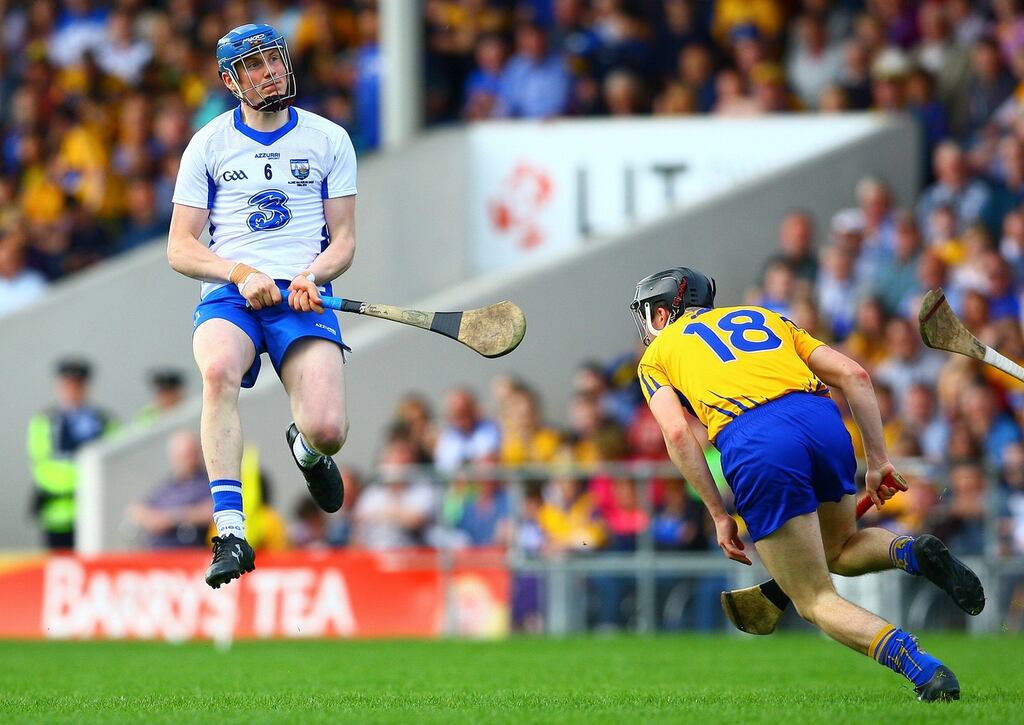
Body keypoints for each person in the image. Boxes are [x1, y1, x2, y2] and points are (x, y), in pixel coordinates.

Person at [629, 266, 985, 702]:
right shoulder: (764, 315)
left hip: (755, 438)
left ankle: (922, 667)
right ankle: (912, 550)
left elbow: (679, 434)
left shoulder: (656, 354)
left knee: (813, 599)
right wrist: (877, 460)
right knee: (839, 548)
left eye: (652, 312)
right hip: (821, 419)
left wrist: (719, 515)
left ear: (667, 312)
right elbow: (855, 376)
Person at [166, 23, 357, 588]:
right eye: (255, 65)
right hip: (231, 292)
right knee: (218, 370)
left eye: (273, 59)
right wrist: (239, 271)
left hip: (301, 292)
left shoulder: (329, 139)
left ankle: (307, 449)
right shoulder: (208, 143)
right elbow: (180, 247)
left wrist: (311, 274)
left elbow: (343, 240)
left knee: (328, 430)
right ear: (232, 80)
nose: (270, 71)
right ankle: (229, 530)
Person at [27, 357, 117, 549]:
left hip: (94, 515)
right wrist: (82, 481)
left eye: (77, 385)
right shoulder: (45, 421)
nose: (72, 390)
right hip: (57, 515)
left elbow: (112, 463)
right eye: (68, 384)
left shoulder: (104, 421)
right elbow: (43, 468)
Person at [127, 430, 212, 548]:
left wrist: (171, 518)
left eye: (188, 455)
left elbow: (213, 510)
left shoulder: (206, 482)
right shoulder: (168, 486)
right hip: (158, 553)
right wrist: (153, 519)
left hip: (190, 552)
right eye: (180, 456)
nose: (184, 461)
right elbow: (136, 509)